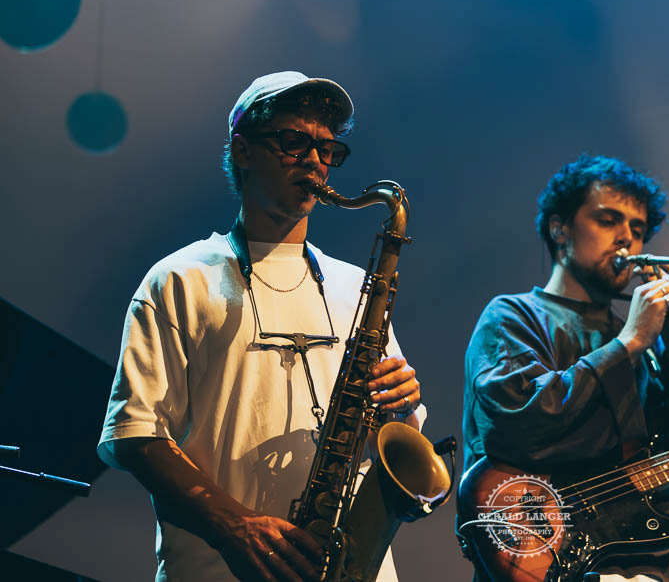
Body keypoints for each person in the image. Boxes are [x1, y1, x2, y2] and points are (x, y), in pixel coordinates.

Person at [98, 72, 425, 582]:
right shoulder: (180, 278)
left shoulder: (356, 285)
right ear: (243, 151)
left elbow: (388, 436)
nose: (315, 161)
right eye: (294, 142)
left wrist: (399, 407)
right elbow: (135, 435)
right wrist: (234, 527)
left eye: (326, 149)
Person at [460, 154, 669, 581]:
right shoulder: (513, 316)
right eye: (608, 220)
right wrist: (629, 343)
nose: (626, 238)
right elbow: (521, 427)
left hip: (664, 559)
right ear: (560, 229)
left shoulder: (644, 335)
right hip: (561, 559)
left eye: (638, 230)